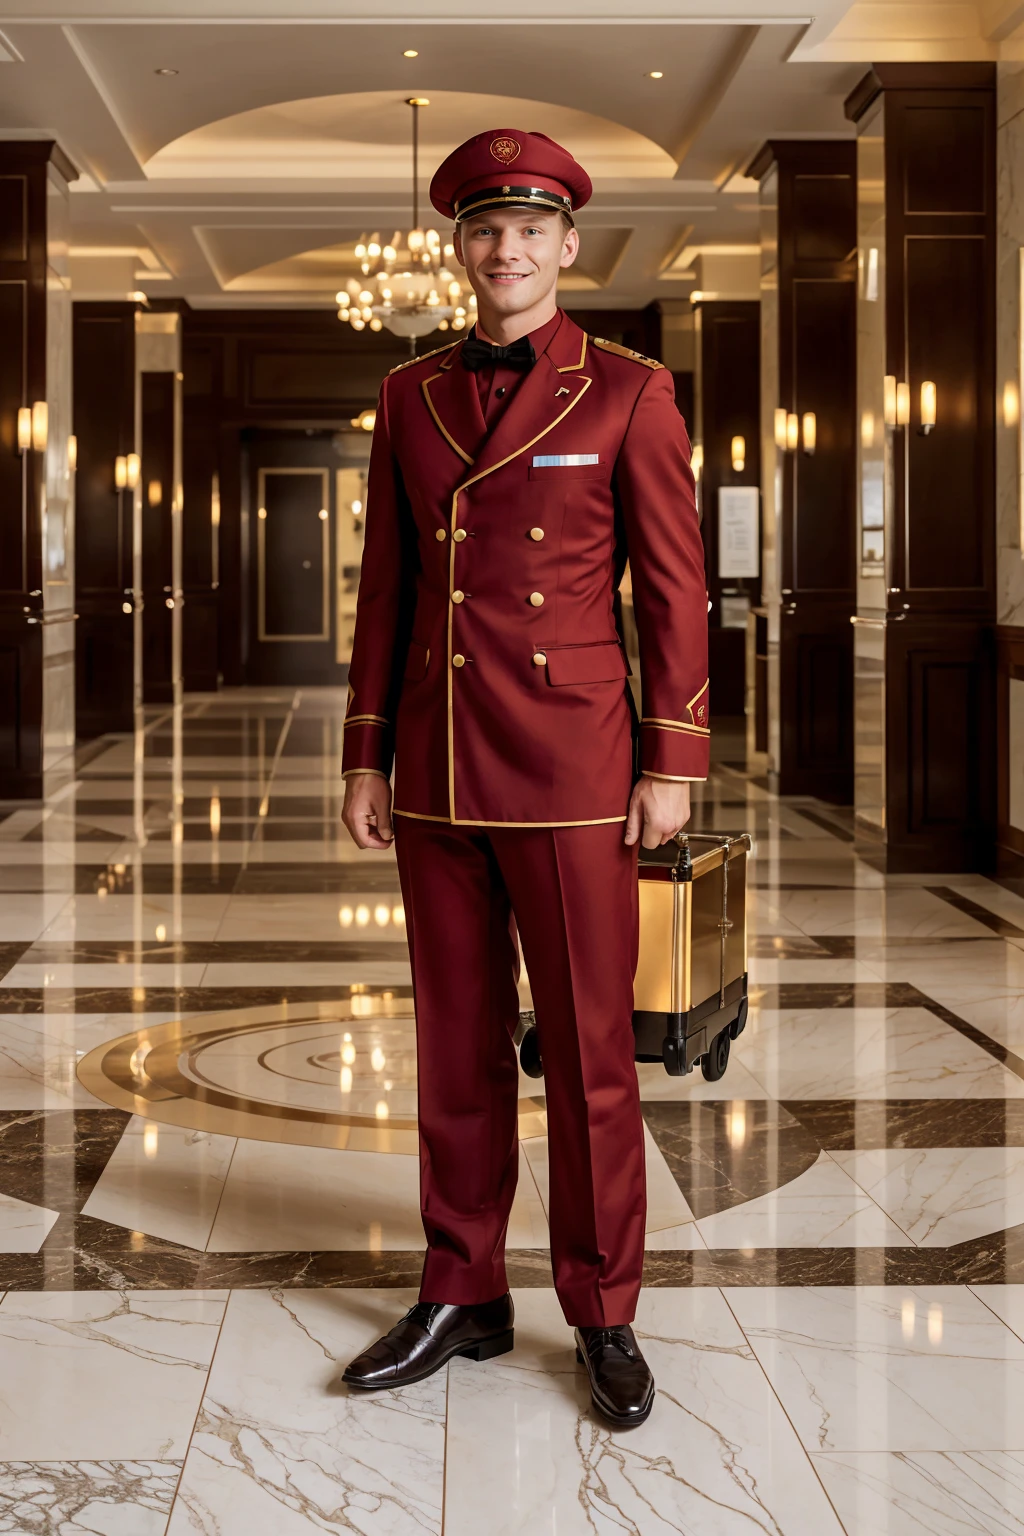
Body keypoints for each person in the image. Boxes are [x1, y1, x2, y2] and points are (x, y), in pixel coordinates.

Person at [339, 127, 708, 1429]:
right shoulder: (408, 393)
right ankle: (463, 1290)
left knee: (592, 1055)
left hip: (572, 766)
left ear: (566, 246)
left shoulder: (628, 392)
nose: (506, 249)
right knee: (453, 1045)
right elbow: (388, 586)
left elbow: (673, 589)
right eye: (483, 229)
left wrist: (674, 757)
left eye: (530, 229)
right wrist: (364, 748)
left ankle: (603, 1309)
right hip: (438, 766)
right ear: (461, 247)